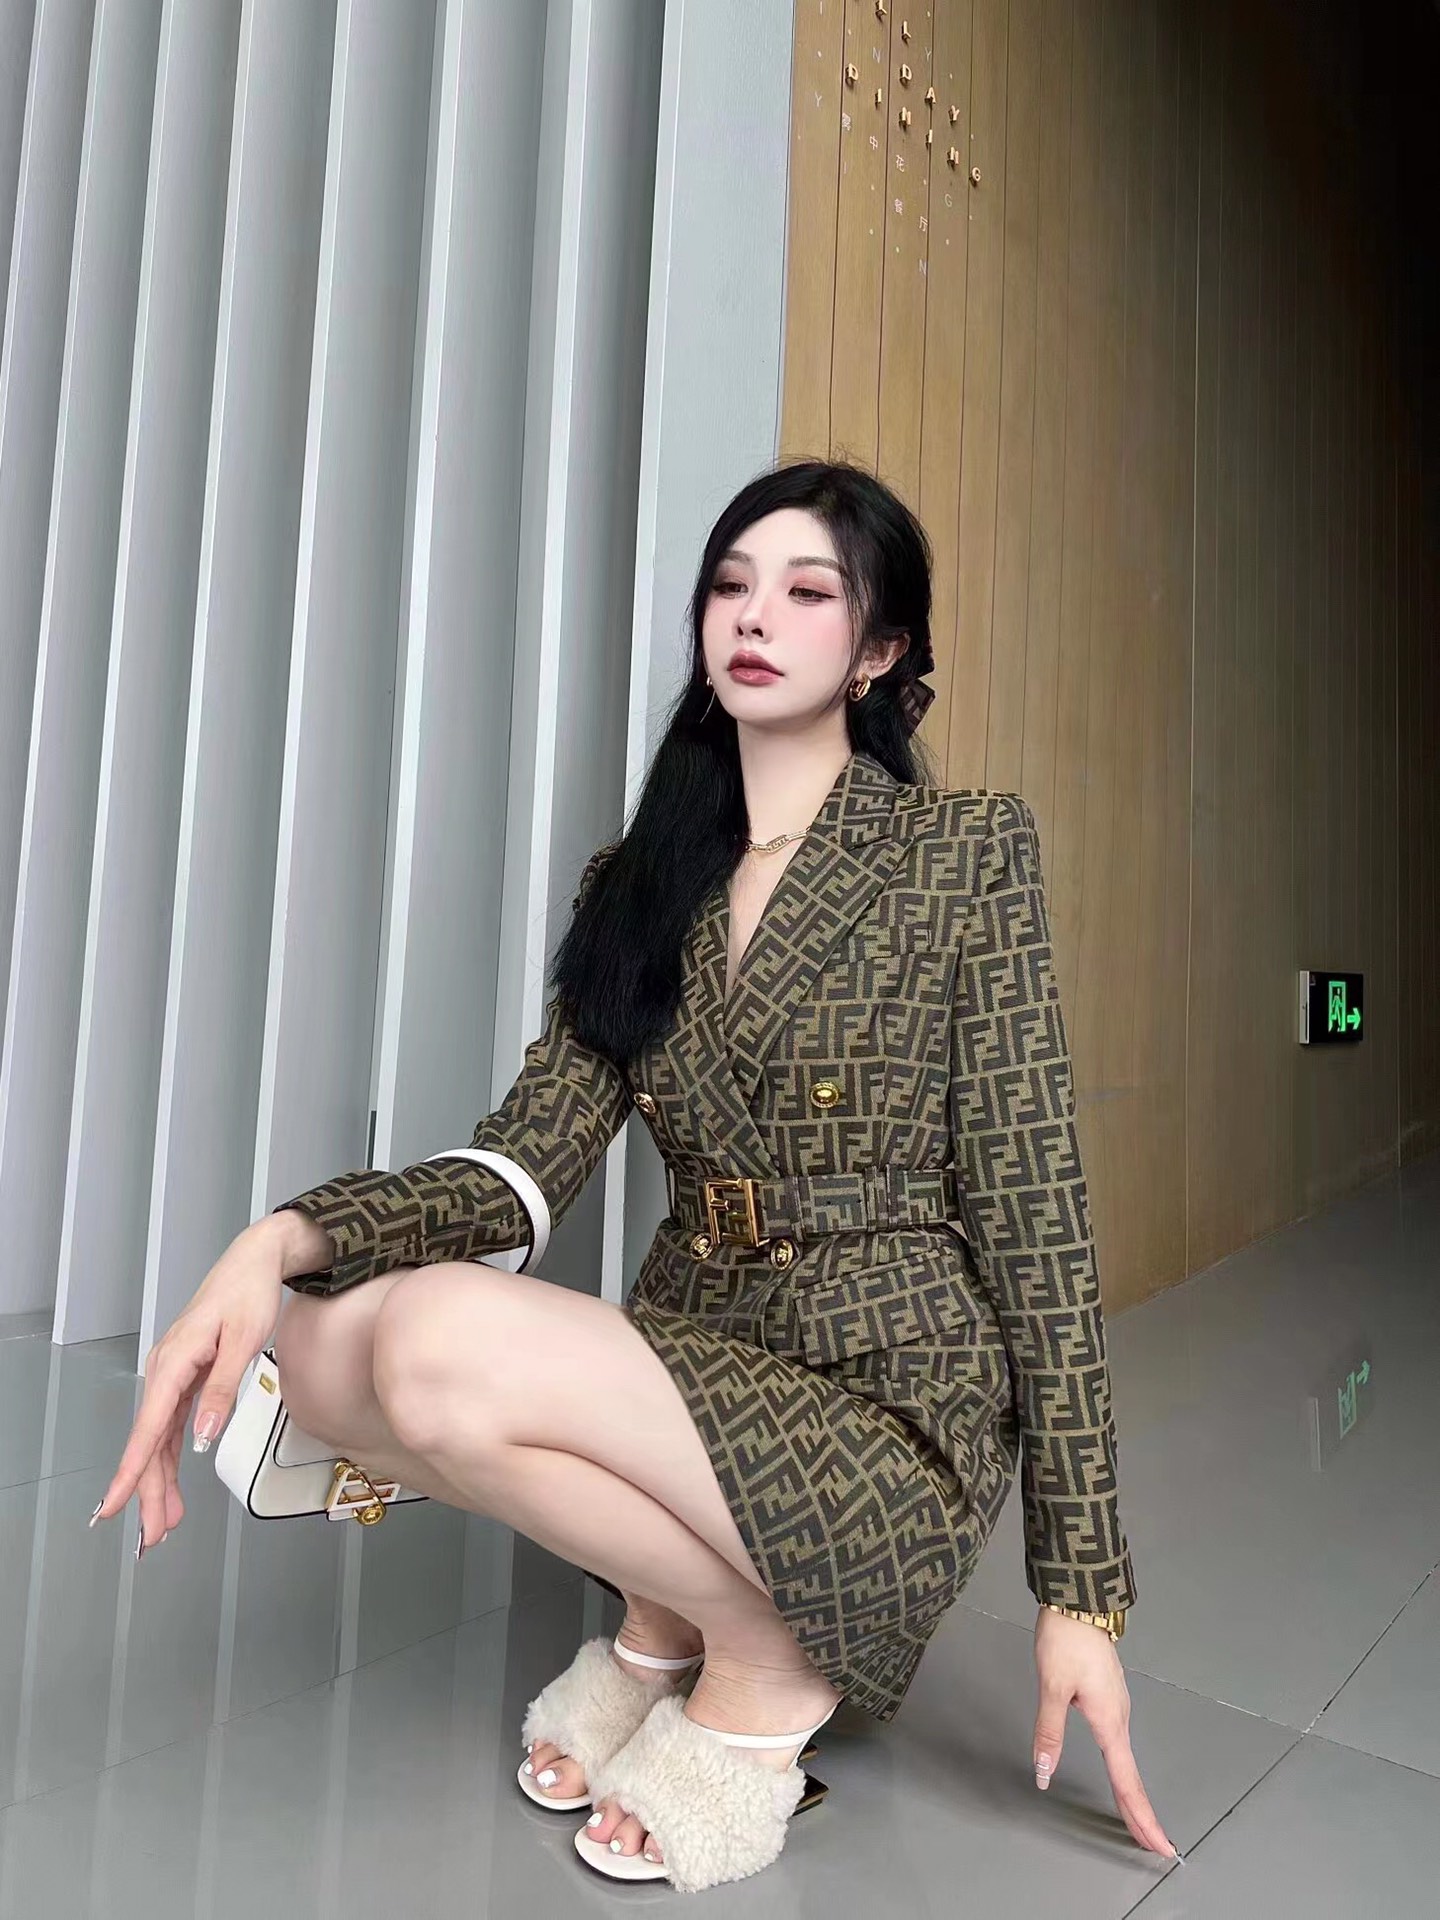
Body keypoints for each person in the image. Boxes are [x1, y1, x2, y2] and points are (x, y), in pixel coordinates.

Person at [92, 459, 1178, 1892]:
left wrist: (1081, 1587)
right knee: (324, 1343)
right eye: (730, 585)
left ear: (877, 651)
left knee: (431, 1332)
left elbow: (1040, 1220)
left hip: (888, 1406)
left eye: (806, 592)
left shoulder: (962, 854)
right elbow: (520, 1163)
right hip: (697, 1360)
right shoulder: (641, 879)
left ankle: (755, 1657)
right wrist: (280, 1238)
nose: (754, 616)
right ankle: (702, 1620)